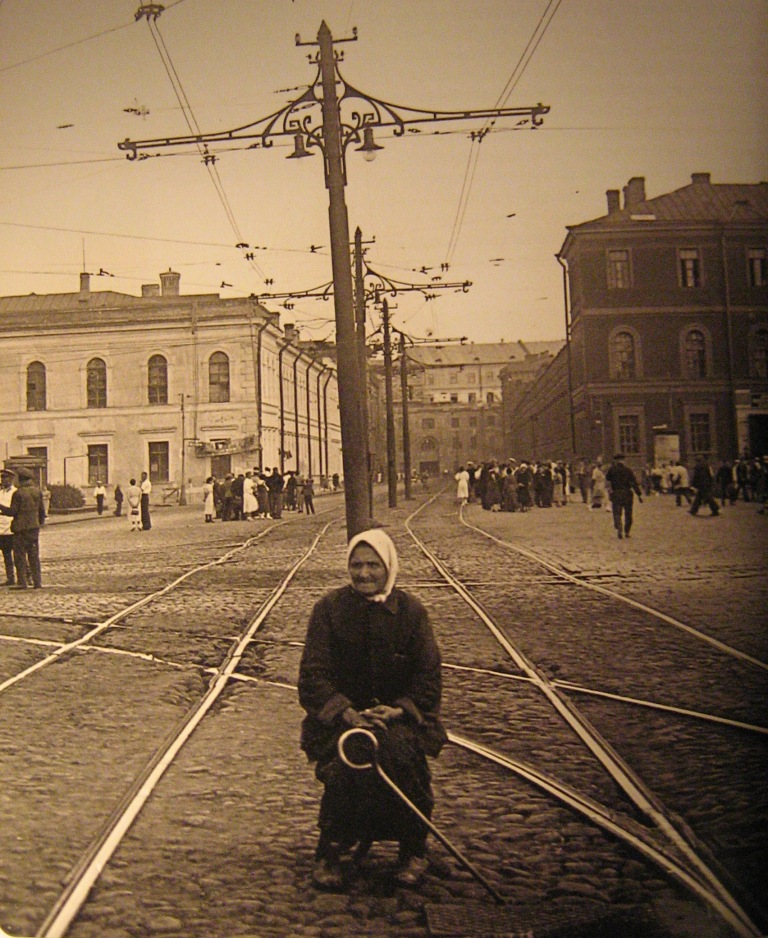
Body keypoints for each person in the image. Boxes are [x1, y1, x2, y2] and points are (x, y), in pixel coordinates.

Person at [298, 529, 446, 891]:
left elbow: (428, 675)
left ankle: (414, 848)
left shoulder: (411, 613)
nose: (363, 574)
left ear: (389, 567)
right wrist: (345, 711)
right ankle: (331, 848)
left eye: (373, 565)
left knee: (400, 756)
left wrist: (399, 710)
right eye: (356, 564)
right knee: (350, 758)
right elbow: (312, 675)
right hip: (342, 719)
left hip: (397, 718)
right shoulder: (329, 610)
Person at [0, 468, 45, 588]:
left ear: (20, 479)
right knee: (34, 555)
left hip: (20, 529)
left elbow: (13, 511)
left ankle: (22, 582)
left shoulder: (18, 493)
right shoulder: (37, 491)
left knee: (19, 555)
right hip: (33, 528)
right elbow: (42, 511)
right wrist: (38, 524)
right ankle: (37, 582)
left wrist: (2, 509)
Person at [605, 453, 643, 539]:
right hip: (627, 493)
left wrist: (610, 492)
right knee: (628, 513)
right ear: (623, 460)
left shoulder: (612, 470)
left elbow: (608, 481)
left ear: (615, 460)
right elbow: (634, 483)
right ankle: (627, 531)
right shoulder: (628, 470)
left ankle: (619, 527)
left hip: (616, 493)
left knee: (617, 513)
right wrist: (639, 495)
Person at [0, 468, 18, 586]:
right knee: (6, 555)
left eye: (5, 478)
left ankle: (26, 576)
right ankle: (10, 578)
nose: (3, 480)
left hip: (12, 527)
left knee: (17, 554)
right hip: (1, 528)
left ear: (11, 479)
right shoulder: (0, 493)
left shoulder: (15, 492)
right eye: (2, 478)